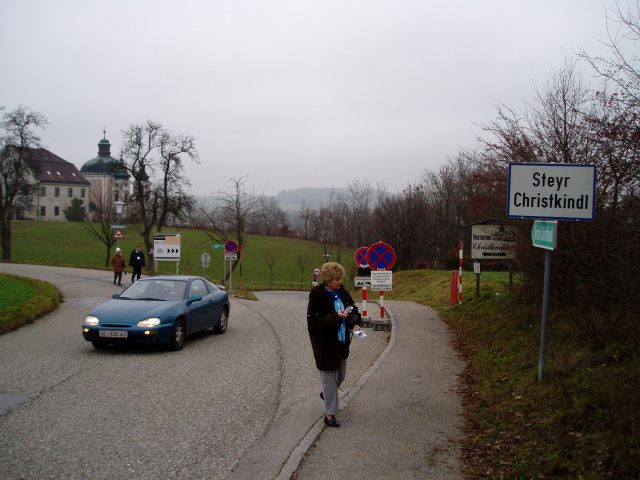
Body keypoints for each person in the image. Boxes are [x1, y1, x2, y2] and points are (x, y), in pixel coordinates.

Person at [307, 262, 362, 428]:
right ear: (328, 280)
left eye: (340, 278)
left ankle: (327, 394)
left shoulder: (343, 292)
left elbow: (353, 310)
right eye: (336, 279)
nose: (340, 281)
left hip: (341, 343)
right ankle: (329, 415)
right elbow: (314, 321)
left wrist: (355, 323)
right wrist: (335, 317)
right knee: (330, 381)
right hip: (325, 345)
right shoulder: (317, 295)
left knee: (341, 376)